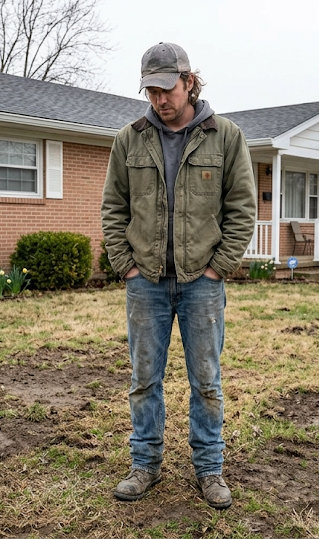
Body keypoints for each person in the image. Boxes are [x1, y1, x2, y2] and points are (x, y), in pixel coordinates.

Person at [100, 42, 256, 510]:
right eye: (150, 90)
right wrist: (125, 265)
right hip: (144, 281)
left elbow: (242, 209)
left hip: (201, 284)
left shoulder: (225, 136)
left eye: (167, 89)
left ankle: (209, 470)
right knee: (144, 380)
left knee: (205, 381)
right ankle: (144, 465)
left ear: (189, 81)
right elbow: (113, 207)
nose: (159, 99)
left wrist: (217, 268)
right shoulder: (130, 138)